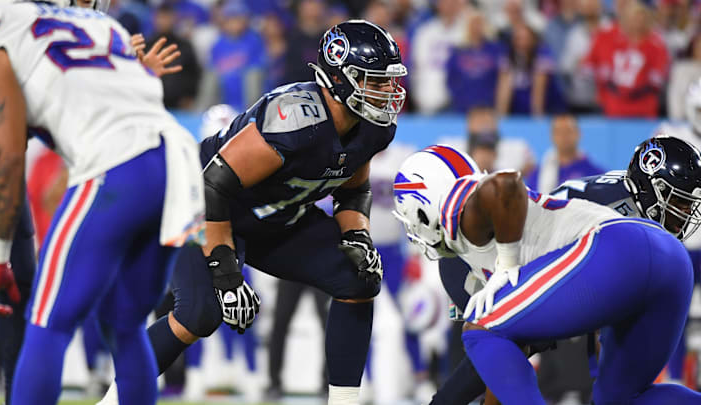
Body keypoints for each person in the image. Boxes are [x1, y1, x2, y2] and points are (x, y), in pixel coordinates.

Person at [99, 19, 407, 405]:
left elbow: (353, 187)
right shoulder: (295, 118)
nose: (387, 91)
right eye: (374, 81)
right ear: (340, 76)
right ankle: (111, 401)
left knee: (358, 278)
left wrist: (356, 235)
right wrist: (225, 270)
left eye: (388, 81)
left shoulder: (374, 127)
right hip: (200, 204)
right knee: (200, 314)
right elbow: (213, 185)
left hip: (273, 217)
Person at [0, 1, 205, 404]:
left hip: (115, 167)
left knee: (48, 324)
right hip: (176, 163)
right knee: (126, 323)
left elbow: (9, 153)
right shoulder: (104, 27)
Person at [392, 140, 701, 404]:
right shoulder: (464, 258)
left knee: (482, 328)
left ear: (421, 207)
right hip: (671, 263)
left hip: (618, 246)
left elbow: (505, 185)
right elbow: (505, 362)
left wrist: (508, 261)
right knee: (619, 399)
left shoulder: (462, 216)